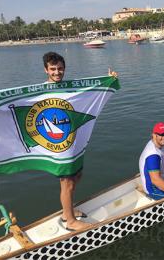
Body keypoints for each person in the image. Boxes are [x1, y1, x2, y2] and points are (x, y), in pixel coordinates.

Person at [43, 52, 118, 231]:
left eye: (60, 68)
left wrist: (109, 80)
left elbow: (89, 93)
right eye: (52, 69)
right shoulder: (41, 91)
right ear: (46, 70)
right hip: (58, 144)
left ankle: (66, 211)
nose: (57, 72)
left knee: (77, 176)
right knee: (67, 182)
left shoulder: (69, 87)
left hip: (73, 141)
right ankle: (70, 221)